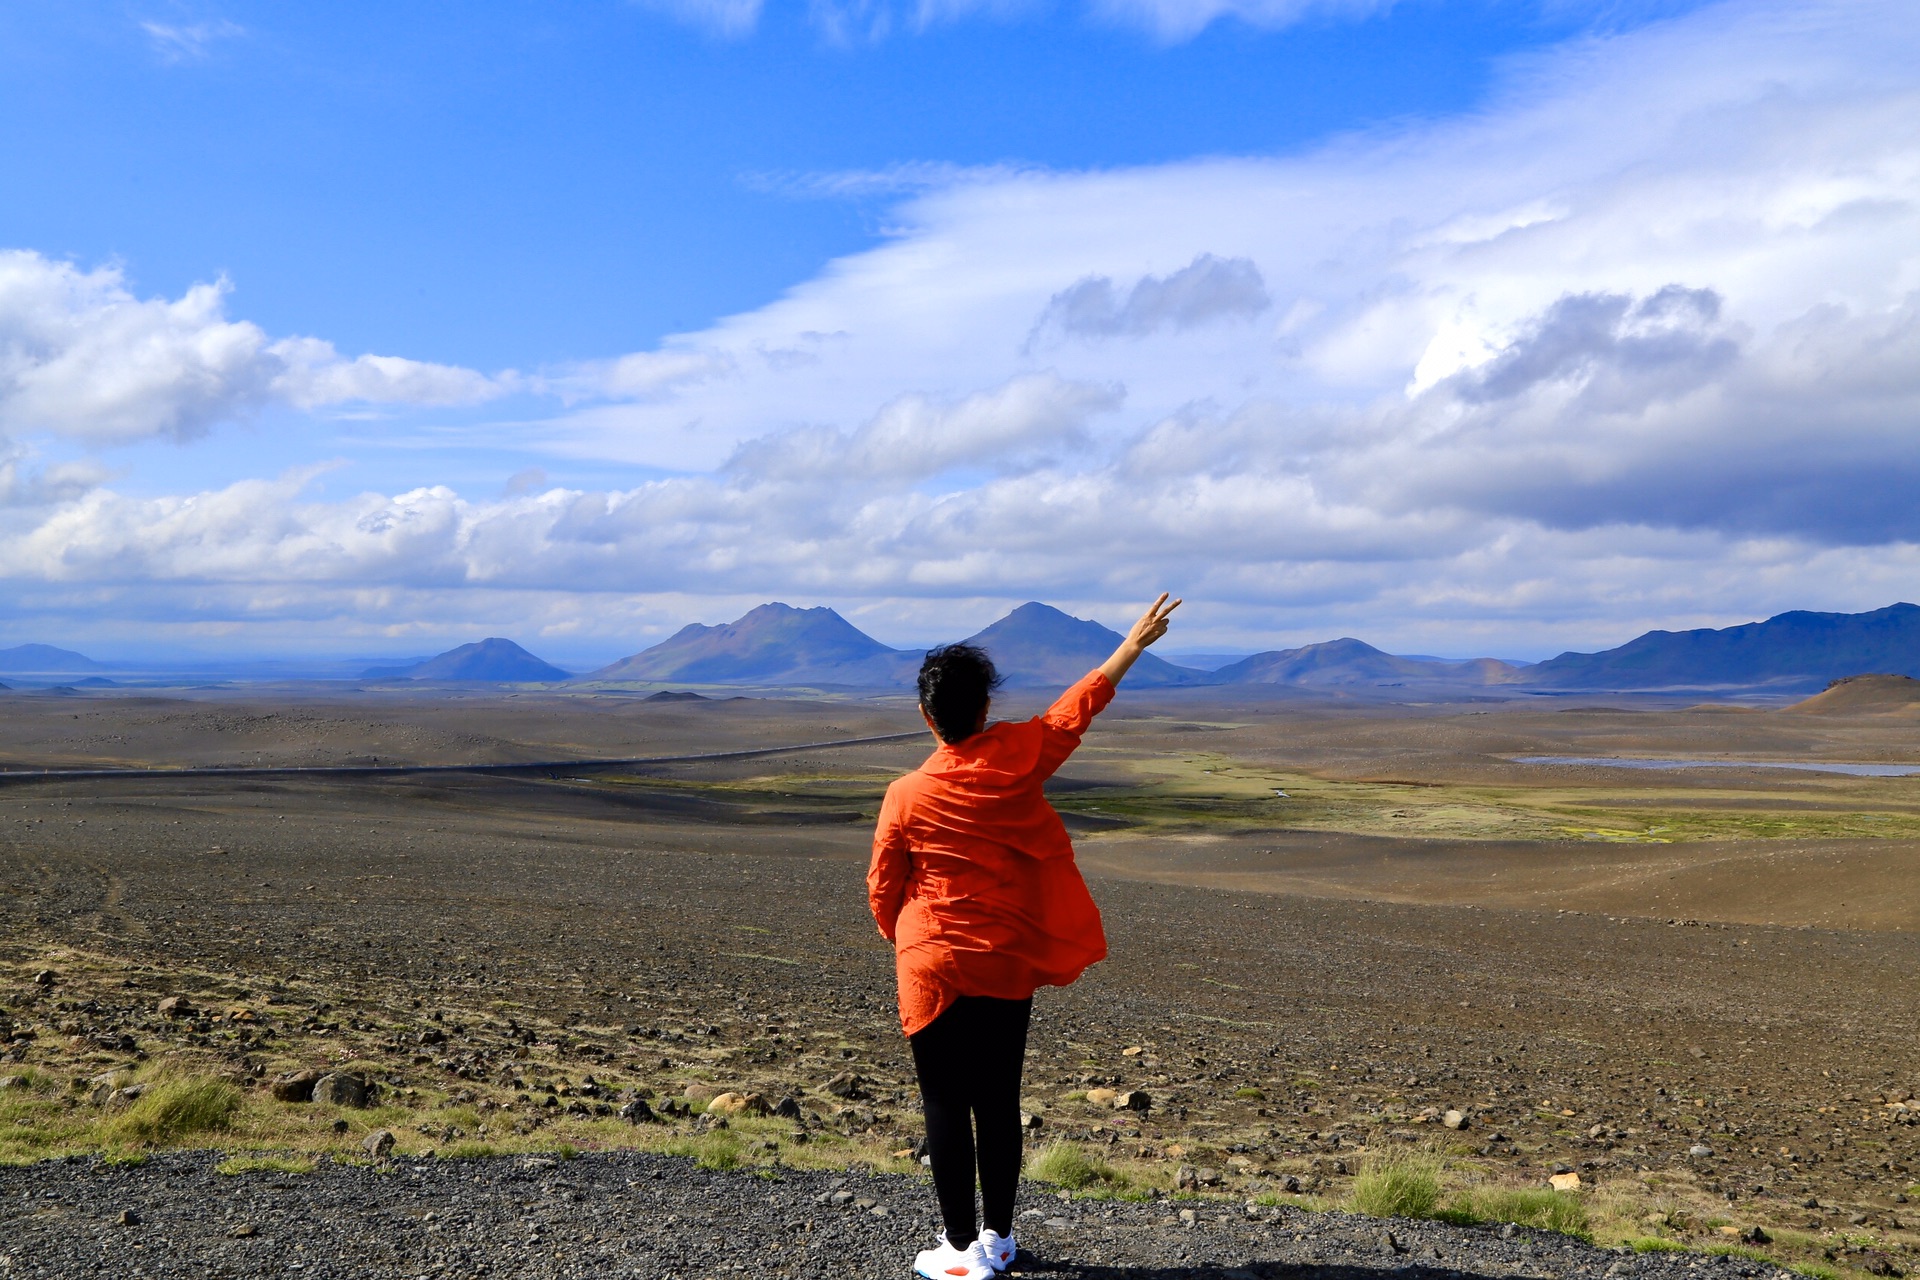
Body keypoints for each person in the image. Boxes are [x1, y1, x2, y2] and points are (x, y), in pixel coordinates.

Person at [867, 593, 1182, 1280]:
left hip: (932, 964)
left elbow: (882, 887)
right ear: (984, 711)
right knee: (997, 1099)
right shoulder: (1019, 757)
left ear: (926, 717)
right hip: (1005, 958)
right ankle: (999, 1241)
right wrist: (1131, 645)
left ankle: (956, 1253)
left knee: (944, 1101)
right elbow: (1075, 711)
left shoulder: (903, 794)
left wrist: (908, 940)